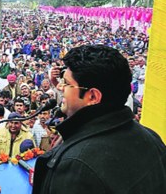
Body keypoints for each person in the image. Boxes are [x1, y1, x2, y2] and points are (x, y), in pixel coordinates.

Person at [32, 45, 166, 194]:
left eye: (67, 83)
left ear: (93, 97)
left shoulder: (75, 165)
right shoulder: (152, 137)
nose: (61, 88)